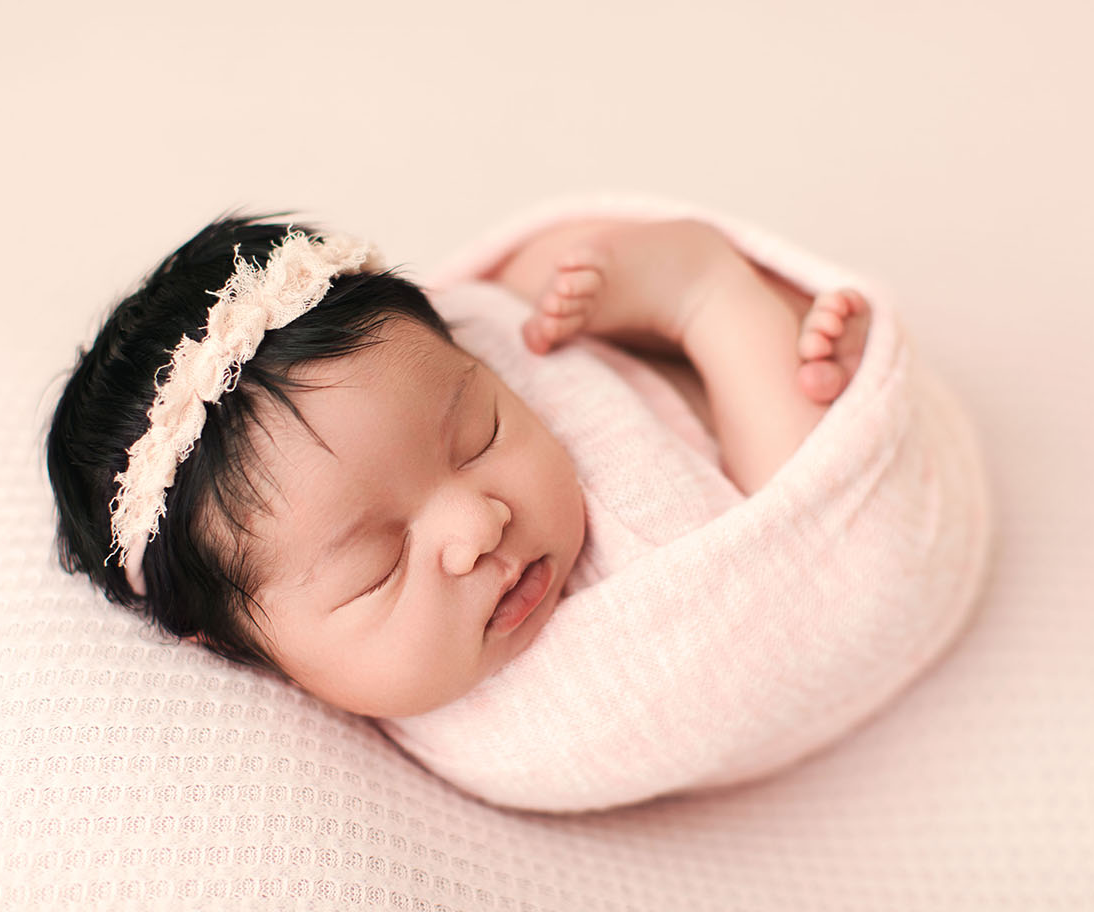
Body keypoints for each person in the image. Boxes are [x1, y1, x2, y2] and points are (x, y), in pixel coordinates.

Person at [46, 215, 869, 718]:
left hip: (724, 459)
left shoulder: (628, 515)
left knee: (817, 514)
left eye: (477, 434)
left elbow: (798, 603)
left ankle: (705, 297)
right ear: (238, 647)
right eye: (376, 565)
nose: (479, 525)